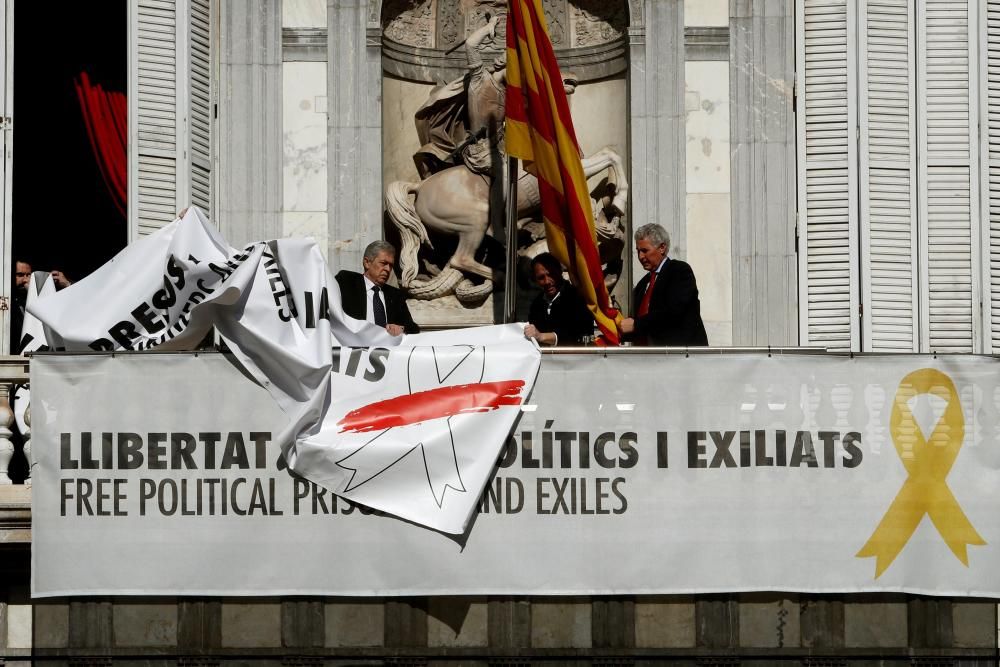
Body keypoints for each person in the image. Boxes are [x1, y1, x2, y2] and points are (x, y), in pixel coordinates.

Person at [619, 224, 708, 347]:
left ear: (662, 248)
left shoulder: (679, 271)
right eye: (638, 251)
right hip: (648, 360)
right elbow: (643, 327)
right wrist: (616, 329)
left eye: (645, 250)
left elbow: (672, 313)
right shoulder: (642, 284)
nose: (640, 256)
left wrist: (635, 325)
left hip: (681, 357)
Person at [335, 241, 419, 336]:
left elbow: (413, 328)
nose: (388, 269)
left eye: (391, 265)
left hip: (386, 349)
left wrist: (401, 328)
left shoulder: (395, 295)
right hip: (354, 347)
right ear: (367, 263)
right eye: (383, 263)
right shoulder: (347, 282)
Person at [523, 252, 594, 346]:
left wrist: (541, 336)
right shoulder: (537, 304)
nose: (547, 281)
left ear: (560, 271)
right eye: (541, 277)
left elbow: (575, 333)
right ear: (535, 280)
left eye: (551, 274)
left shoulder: (577, 298)